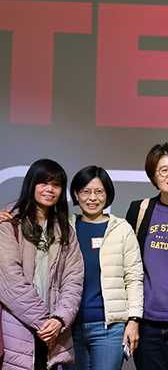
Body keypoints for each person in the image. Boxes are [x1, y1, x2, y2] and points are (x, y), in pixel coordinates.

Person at [0, 158, 84, 370]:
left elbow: (73, 281)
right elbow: (9, 280)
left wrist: (59, 320)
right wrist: (45, 323)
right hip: (18, 327)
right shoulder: (9, 222)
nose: (50, 189)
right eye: (44, 182)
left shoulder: (65, 230)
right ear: (32, 185)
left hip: (52, 332)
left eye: (56, 185)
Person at [64, 166, 143, 370]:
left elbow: (133, 278)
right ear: (76, 194)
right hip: (70, 327)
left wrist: (133, 321)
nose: (92, 198)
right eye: (86, 191)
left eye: (99, 191)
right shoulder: (64, 227)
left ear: (107, 194)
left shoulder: (122, 229)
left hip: (109, 328)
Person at [125, 143, 168, 370]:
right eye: (163, 170)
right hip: (146, 321)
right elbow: (129, 264)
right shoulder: (139, 210)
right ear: (153, 177)